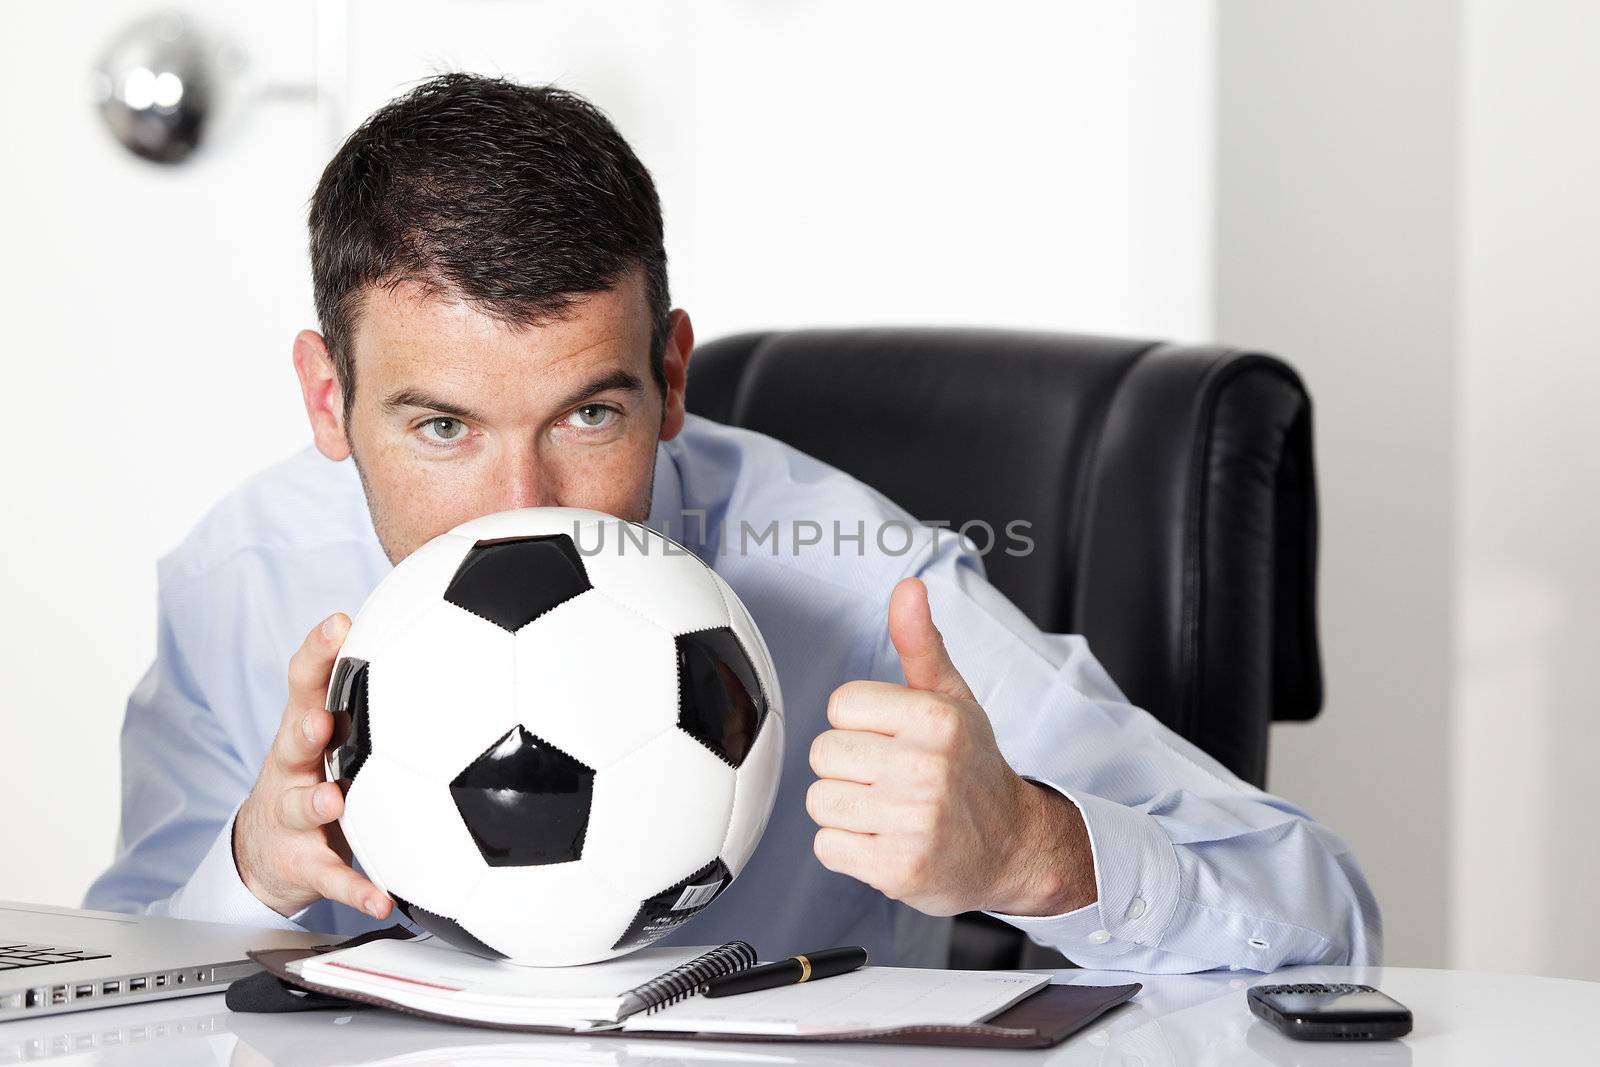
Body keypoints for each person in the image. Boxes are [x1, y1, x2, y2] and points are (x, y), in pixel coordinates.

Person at [85, 73, 1379, 973]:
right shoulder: (242, 583)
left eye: (590, 416)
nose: (524, 510)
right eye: (442, 429)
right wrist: (248, 878)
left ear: (673, 378)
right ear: (328, 397)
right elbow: (111, 1014)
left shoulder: (865, 584)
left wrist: (1036, 852)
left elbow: (1326, 922)